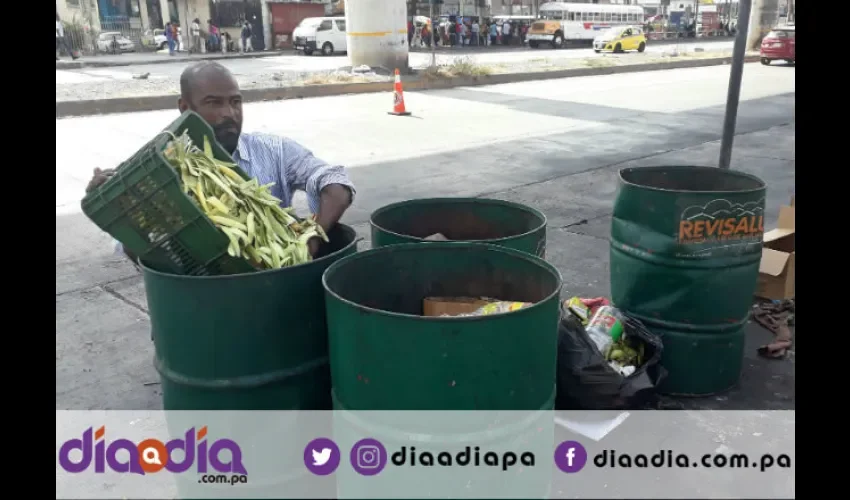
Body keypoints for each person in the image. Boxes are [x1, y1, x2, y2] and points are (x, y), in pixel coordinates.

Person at [86, 62, 355, 262]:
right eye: (214, 103)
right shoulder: (160, 171)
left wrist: (314, 235)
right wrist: (114, 206)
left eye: (235, 102)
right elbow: (142, 254)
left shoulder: (275, 151)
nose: (229, 113)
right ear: (185, 108)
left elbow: (336, 183)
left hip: (273, 289)